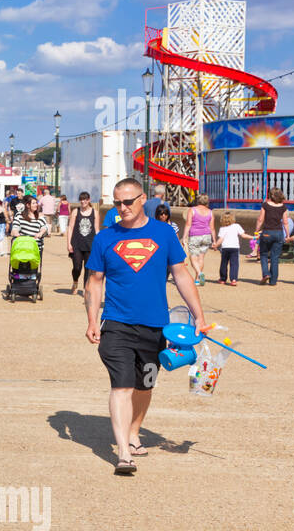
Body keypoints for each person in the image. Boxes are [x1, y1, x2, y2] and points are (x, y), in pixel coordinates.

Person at [84, 178, 206, 475]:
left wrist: (199, 315)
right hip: (116, 324)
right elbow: (94, 282)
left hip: (155, 327)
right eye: (117, 203)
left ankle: (134, 431)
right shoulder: (104, 238)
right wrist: (91, 320)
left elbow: (181, 275)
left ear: (143, 200)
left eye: (127, 202)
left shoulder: (164, 233)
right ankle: (124, 453)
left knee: (145, 384)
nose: (122, 208)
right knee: (122, 384)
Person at [256, 188, 291, 286]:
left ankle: (266, 273)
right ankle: (273, 280)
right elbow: (285, 222)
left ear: (270, 195)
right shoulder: (283, 207)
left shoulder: (265, 205)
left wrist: (257, 230)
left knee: (263, 254)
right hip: (278, 233)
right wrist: (287, 235)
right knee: (275, 257)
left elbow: (260, 219)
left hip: (267, 231)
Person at [65, 192, 96, 296]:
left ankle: (85, 288)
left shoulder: (94, 212)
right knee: (77, 267)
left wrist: (99, 244)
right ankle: (75, 281)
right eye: (81, 199)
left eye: (85, 199)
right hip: (77, 243)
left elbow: (97, 229)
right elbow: (70, 227)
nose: (83, 201)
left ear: (89, 200)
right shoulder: (75, 212)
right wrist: (69, 243)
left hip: (90, 244)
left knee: (88, 268)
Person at [181, 194, 216, 285]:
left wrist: (184, 237)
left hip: (195, 236)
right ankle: (197, 279)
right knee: (201, 258)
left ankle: (200, 273)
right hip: (207, 236)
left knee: (193, 257)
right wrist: (214, 240)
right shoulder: (210, 212)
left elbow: (188, 224)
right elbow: (212, 228)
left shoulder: (192, 210)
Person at [214, 211, 246, 286]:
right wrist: (253, 237)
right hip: (235, 247)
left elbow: (221, 239)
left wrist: (215, 246)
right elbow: (243, 235)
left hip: (225, 247)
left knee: (224, 263)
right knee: (234, 264)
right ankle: (234, 279)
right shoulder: (237, 226)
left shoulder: (222, 228)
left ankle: (223, 279)